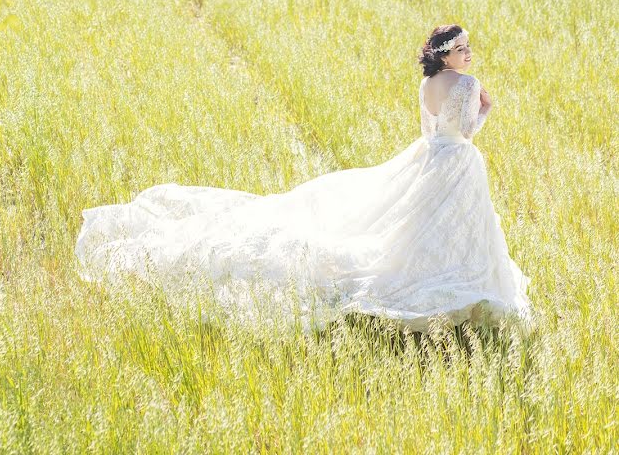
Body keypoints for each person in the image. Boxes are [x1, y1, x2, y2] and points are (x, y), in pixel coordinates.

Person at [74, 24, 533, 334]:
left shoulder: (426, 85)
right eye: (462, 49)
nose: (469, 53)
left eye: (469, 47)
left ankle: (444, 301)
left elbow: (429, 132)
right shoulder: (468, 87)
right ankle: (457, 302)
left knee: (410, 230)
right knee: (451, 232)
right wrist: (486, 109)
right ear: (446, 56)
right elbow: (465, 133)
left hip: (427, 158)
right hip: (456, 163)